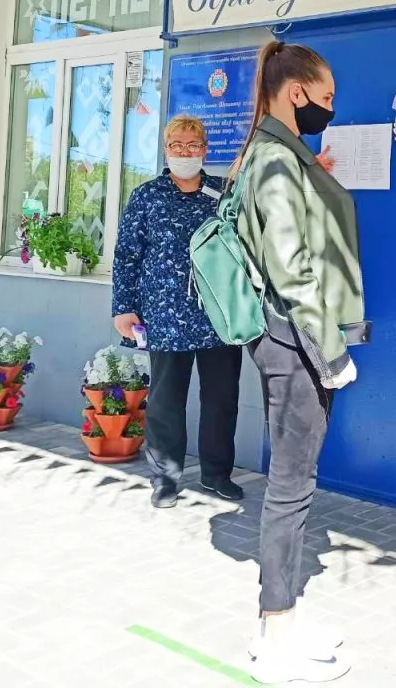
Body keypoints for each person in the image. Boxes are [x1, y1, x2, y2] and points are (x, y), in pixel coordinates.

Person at [235, 40, 369, 684]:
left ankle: (283, 616)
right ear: (296, 92)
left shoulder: (280, 155)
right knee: (290, 487)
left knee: (296, 482)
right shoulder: (275, 161)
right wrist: (331, 351)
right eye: (326, 96)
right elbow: (290, 268)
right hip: (295, 342)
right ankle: (276, 633)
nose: (330, 107)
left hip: (293, 339)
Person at [112, 114, 244, 509]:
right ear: (166, 150)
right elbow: (127, 255)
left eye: (193, 145)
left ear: (205, 150)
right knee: (167, 401)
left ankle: (217, 474)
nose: (185, 153)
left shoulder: (224, 193)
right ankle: (165, 479)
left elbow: (245, 245)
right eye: (177, 146)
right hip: (165, 316)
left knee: (221, 398)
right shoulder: (147, 196)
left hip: (218, 314)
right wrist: (124, 307)